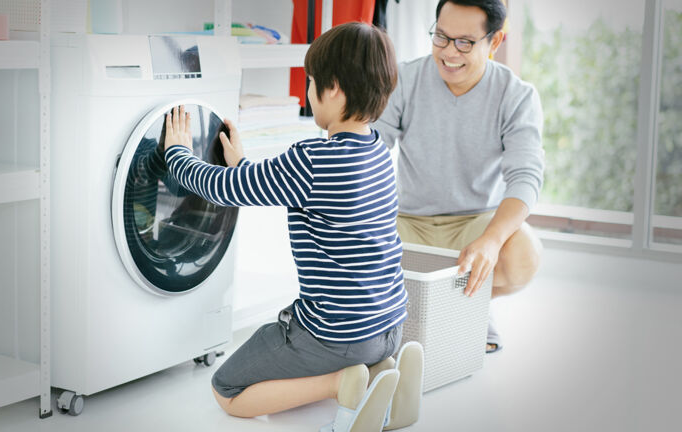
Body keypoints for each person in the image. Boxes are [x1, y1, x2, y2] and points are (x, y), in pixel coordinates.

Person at [163, 22, 424, 432]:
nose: (308, 92)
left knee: (226, 390)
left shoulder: (312, 159)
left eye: (311, 82)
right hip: (388, 323)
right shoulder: (377, 153)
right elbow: (273, 186)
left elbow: (223, 189)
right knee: (359, 343)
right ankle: (383, 372)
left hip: (336, 337)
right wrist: (243, 165)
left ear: (333, 88)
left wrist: (177, 155)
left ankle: (342, 382)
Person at [373, 0, 545, 353]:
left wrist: (493, 240)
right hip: (408, 222)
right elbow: (372, 148)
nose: (449, 52)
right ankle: (451, 315)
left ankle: (461, 310)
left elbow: (525, 177)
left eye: (465, 42)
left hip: (475, 225)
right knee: (349, 239)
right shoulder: (404, 79)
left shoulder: (517, 95)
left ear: (494, 43)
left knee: (524, 254)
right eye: (441, 37)